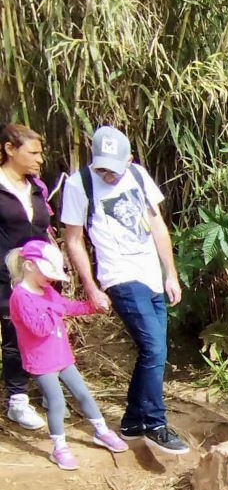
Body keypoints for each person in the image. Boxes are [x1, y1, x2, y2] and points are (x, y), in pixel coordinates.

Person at [61, 126, 189, 454]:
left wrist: (170, 274)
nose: (107, 175)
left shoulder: (138, 175)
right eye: (101, 168)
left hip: (150, 275)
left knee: (155, 350)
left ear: (129, 160)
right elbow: (74, 240)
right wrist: (91, 287)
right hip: (118, 276)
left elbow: (158, 225)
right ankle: (156, 424)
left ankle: (133, 421)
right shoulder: (80, 184)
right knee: (154, 349)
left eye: (113, 169)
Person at [6, 240, 129, 470]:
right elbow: (39, 328)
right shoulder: (21, 296)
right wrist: (55, 310)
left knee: (83, 393)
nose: (51, 279)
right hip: (41, 361)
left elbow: (66, 306)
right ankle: (59, 447)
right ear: (30, 266)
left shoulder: (47, 290)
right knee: (57, 402)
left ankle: (101, 431)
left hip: (61, 355)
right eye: (47, 273)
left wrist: (91, 306)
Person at [0, 123, 52, 430]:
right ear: (9, 149)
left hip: (37, 276)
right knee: (14, 337)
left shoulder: (37, 187)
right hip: (5, 276)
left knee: (41, 331)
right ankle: (17, 401)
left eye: (41, 152)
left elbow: (44, 229)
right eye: (33, 152)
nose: (40, 159)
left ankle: (48, 390)